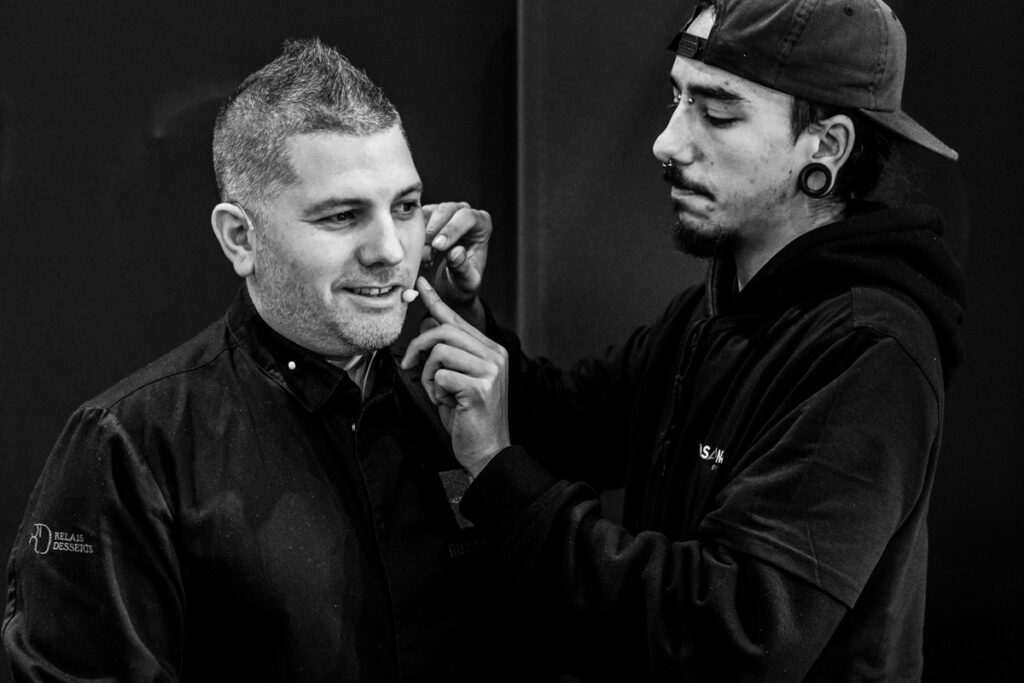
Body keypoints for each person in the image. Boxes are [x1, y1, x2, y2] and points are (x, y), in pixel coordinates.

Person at [402, 0, 966, 680]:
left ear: (826, 146)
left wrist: (498, 474)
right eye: (678, 99)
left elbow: (732, 635)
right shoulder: (716, 309)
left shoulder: (869, 351)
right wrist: (465, 316)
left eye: (718, 112)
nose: (667, 143)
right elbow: (564, 425)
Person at [2, 38, 536, 682]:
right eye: (342, 216)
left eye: (404, 207)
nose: (392, 251)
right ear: (240, 238)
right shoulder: (132, 446)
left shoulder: (460, 415)